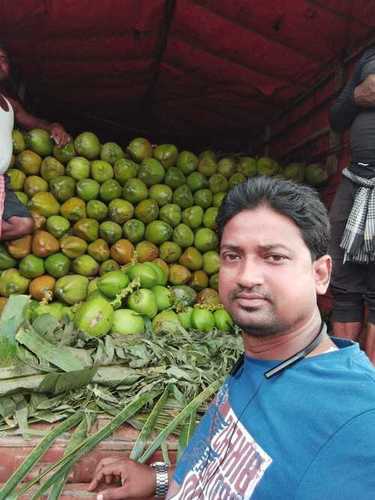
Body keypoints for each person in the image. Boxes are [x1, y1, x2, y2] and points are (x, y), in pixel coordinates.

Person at [88, 176, 375, 500]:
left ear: (320, 274)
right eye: (232, 256)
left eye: (274, 257)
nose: (247, 276)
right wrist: (162, 480)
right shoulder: (258, 361)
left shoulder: (358, 418)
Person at [329, 47, 375, 363]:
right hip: (355, 181)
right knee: (343, 281)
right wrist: (358, 94)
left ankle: (370, 388)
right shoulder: (367, 57)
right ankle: (340, 374)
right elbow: (336, 117)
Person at [0, 44, 70, 240]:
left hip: (1, 180)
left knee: (23, 224)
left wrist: (54, 127)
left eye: (4, 59)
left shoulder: (10, 104)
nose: (0, 63)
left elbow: (36, 123)